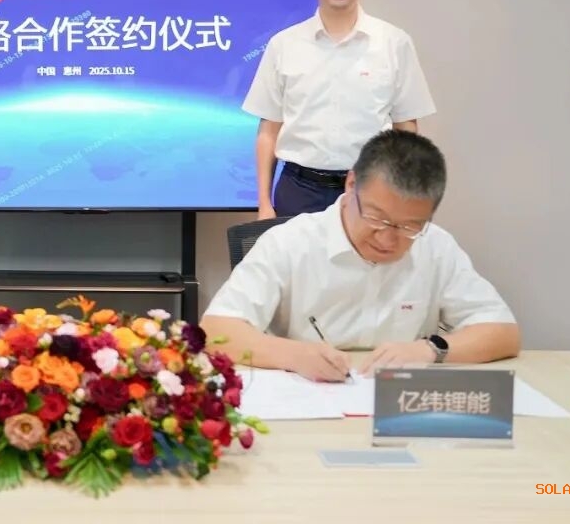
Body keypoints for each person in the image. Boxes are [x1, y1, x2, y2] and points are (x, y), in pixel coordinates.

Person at [201, 130, 520, 382]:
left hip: (395, 410)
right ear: (351, 184)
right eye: (377, 218)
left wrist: (429, 351)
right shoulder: (288, 243)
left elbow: (502, 331)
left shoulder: (436, 247)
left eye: (409, 226)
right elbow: (216, 331)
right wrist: (294, 355)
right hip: (305, 404)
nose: (388, 238)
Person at [243, 0, 436, 220]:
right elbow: (268, 130)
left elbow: (405, 125)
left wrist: (404, 193)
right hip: (300, 189)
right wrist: (263, 203)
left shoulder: (394, 43)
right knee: (298, 253)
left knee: (370, 253)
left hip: (371, 186)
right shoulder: (284, 45)